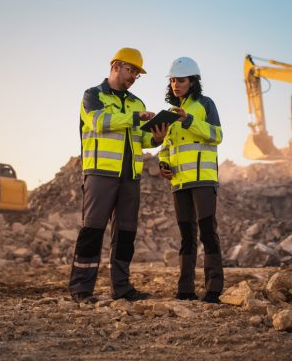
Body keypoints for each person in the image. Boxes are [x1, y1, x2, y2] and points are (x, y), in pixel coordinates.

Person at [69, 47, 167, 303]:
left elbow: (142, 138)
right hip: (100, 173)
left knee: (125, 233)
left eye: (137, 73)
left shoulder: (137, 102)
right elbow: (99, 122)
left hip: (130, 177)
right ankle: (81, 290)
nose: (134, 76)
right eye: (131, 70)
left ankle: (122, 289)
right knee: (92, 230)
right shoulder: (93, 95)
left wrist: (156, 138)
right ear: (116, 66)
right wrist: (135, 118)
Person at [158, 57, 224, 303]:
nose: (176, 84)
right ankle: (185, 289)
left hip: (203, 181)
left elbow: (217, 135)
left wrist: (189, 121)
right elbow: (166, 146)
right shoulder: (170, 113)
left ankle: (214, 289)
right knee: (187, 236)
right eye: (173, 80)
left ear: (193, 82)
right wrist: (163, 163)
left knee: (208, 232)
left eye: (181, 80)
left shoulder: (206, 104)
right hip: (179, 183)